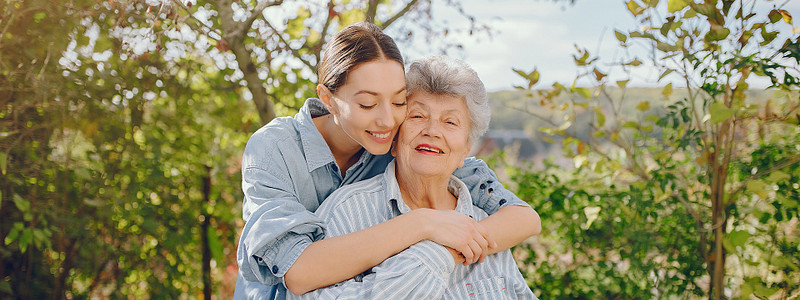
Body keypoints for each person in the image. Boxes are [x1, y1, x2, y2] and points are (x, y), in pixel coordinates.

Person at [234, 22, 541, 299]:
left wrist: (456, 246)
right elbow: (298, 272)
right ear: (328, 99)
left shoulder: (399, 138)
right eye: (368, 103)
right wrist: (423, 223)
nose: (386, 119)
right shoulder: (275, 148)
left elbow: (523, 217)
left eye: (398, 102)